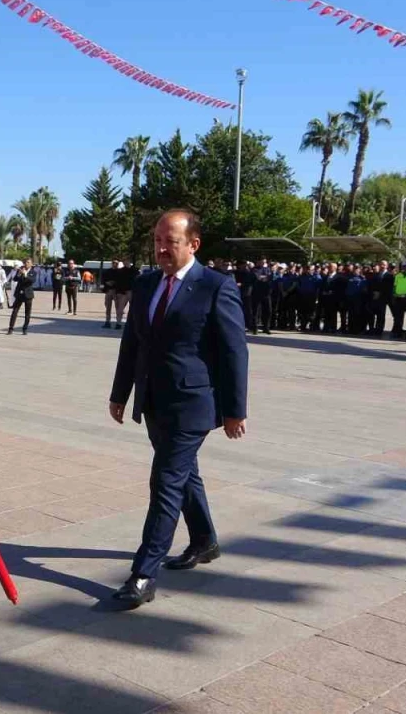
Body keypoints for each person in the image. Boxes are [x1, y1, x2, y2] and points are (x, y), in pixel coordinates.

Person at [107, 209, 248, 608]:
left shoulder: (216, 286)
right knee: (185, 476)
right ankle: (204, 540)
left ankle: (143, 574)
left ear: (193, 244)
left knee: (166, 483)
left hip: (192, 404)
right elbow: (132, 344)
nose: (162, 248)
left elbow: (235, 351)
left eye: (170, 241)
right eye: (157, 241)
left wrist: (235, 408)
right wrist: (121, 393)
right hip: (153, 400)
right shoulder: (147, 283)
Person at [8, 258, 36, 335]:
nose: (26, 264)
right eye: (25, 262)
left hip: (28, 294)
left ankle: (25, 329)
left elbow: (31, 281)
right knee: (15, 311)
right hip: (19, 293)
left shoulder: (33, 272)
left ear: (31, 264)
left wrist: (26, 274)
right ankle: (10, 328)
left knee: (27, 313)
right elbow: (15, 279)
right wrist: (19, 274)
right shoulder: (20, 270)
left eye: (28, 262)